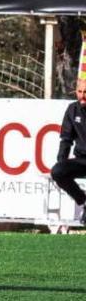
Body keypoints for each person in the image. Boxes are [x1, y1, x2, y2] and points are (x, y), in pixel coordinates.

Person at [49, 79, 86, 213]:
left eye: (85, 92)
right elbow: (66, 139)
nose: (82, 95)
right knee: (57, 171)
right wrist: (61, 162)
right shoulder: (72, 110)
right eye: (80, 92)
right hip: (82, 160)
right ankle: (83, 201)